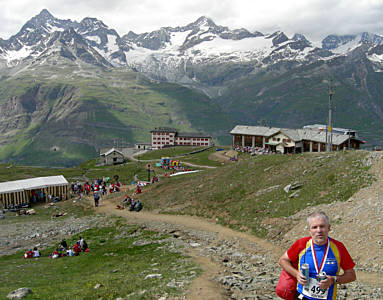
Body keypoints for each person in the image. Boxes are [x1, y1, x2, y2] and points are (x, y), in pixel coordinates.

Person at [278, 211, 356, 300]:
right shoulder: (301, 244)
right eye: (314, 227)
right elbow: (282, 260)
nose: (319, 230)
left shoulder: (338, 247)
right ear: (309, 230)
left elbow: (351, 275)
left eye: (322, 226)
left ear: (329, 228)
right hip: (302, 297)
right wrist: (296, 274)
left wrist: (333, 279)